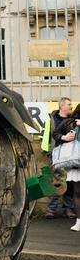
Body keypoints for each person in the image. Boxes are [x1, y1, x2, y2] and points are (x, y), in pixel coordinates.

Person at [43, 97, 76, 218]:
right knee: (55, 181)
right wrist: (48, 152)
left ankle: (68, 209)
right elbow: (48, 135)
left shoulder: (73, 120)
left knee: (70, 182)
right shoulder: (52, 119)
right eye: (69, 104)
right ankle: (51, 209)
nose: (71, 106)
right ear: (61, 106)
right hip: (56, 154)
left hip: (71, 155)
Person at [53, 104, 80, 232]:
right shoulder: (70, 122)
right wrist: (64, 137)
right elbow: (55, 134)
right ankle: (79, 221)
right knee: (77, 192)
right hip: (76, 162)